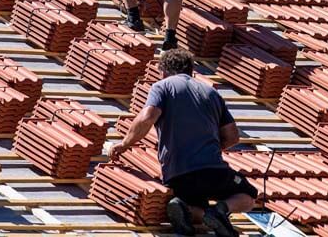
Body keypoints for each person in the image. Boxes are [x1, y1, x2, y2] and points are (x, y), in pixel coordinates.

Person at [109, 49, 256, 237]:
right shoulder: (211, 92)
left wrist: (124, 144)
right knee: (249, 195)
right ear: (191, 70)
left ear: (163, 71)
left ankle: (186, 208)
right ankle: (220, 210)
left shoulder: (162, 87)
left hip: (178, 175)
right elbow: (233, 136)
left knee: (194, 204)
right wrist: (207, 148)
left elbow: (147, 117)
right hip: (213, 171)